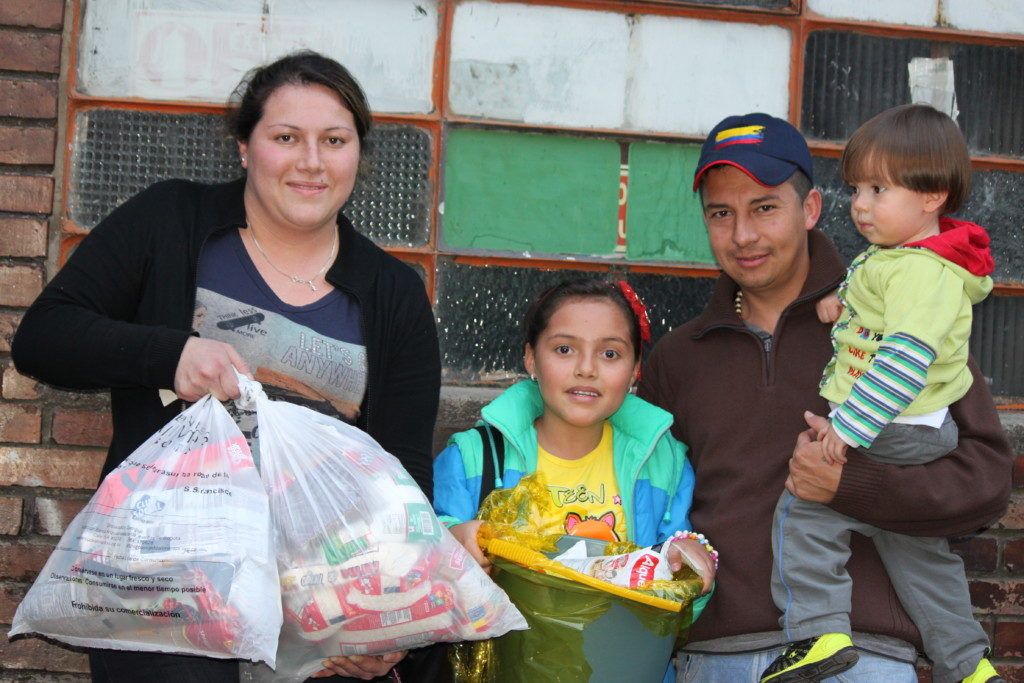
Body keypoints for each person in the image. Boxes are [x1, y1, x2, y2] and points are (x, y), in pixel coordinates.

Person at [11, 51, 441, 683]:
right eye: (285, 137)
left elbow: (404, 476)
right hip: (163, 586)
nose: (311, 162)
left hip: (317, 599)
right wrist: (172, 354)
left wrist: (378, 619)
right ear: (245, 147)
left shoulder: (392, 293)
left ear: (357, 155)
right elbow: (44, 337)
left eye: (334, 140)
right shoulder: (172, 222)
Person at [637, 112, 1012, 682]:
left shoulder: (894, 317)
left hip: (863, 660)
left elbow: (985, 483)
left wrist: (850, 487)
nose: (743, 235)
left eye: (764, 207)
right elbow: (642, 499)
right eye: (721, 213)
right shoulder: (677, 357)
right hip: (709, 659)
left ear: (810, 209)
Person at [763, 104, 1000, 683]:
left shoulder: (924, 273)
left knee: (803, 513)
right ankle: (968, 666)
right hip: (913, 434)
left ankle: (817, 633)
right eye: (855, 189)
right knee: (921, 560)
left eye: (877, 188)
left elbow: (903, 359)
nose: (860, 205)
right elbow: (879, 298)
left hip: (888, 427)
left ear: (932, 195)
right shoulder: (906, 258)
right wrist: (840, 302)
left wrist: (846, 431)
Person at [433, 278, 717, 680]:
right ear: (531, 359)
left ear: (636, 368)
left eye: (610, 353)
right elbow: (420, 563)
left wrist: (692, 567)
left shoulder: (662, 463)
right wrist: (456, 543)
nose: (586, 369)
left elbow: (678, 606)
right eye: (564, 349)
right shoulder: (475, 458)